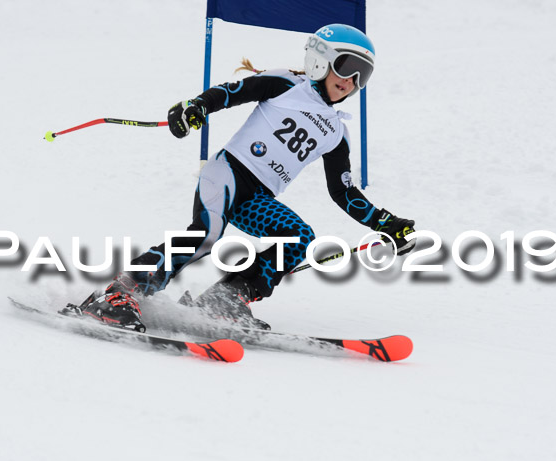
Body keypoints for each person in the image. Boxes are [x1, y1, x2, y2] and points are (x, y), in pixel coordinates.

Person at [64, 24, 416, 331]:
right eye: (348, 67)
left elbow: (344, 192)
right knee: (207, 236)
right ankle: (119, 294)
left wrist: (386, 223)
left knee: (298, 237)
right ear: (321, 60)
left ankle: (226, 300)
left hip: (258, 197)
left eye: (362, 76)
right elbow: (232, 93)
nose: (351, 81)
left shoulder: (338, 133)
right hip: (228, 173)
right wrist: (196, 106)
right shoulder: (286, 84)